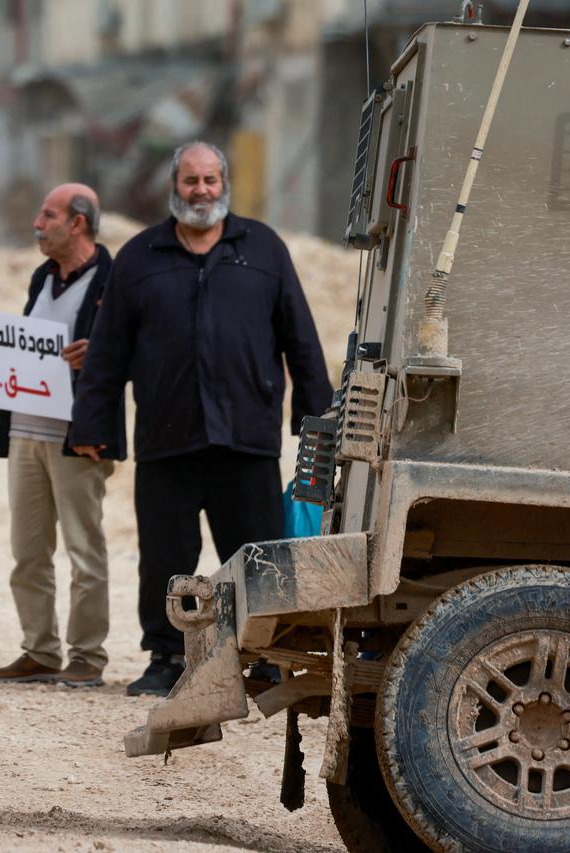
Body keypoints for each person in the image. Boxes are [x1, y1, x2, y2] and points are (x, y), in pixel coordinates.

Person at [70, 141, 332, 697]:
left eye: (210, 180)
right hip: (169, 437)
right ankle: (167, 658)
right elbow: (109, 351)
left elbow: (301, 340)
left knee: (256, 553)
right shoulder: (141, 257)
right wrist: (93, 426)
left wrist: (316, 424)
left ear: (225, 183)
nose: (201, 191)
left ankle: (263, 660)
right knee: (166, 555)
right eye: (191, 181)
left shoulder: (263, 248)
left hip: (247, 437)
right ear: (174, 186)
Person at [0, 183, 126, 688]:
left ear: (78, 223)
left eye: (47, 216)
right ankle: (40, 650)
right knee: (28, 549)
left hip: (79, 438)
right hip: (26, 431)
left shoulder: (112, 281)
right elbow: (25, 346)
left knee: (83, 550)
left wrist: (100, 354)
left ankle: (87, 655)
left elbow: (132, 351)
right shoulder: (42, 277)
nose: (37, 224)